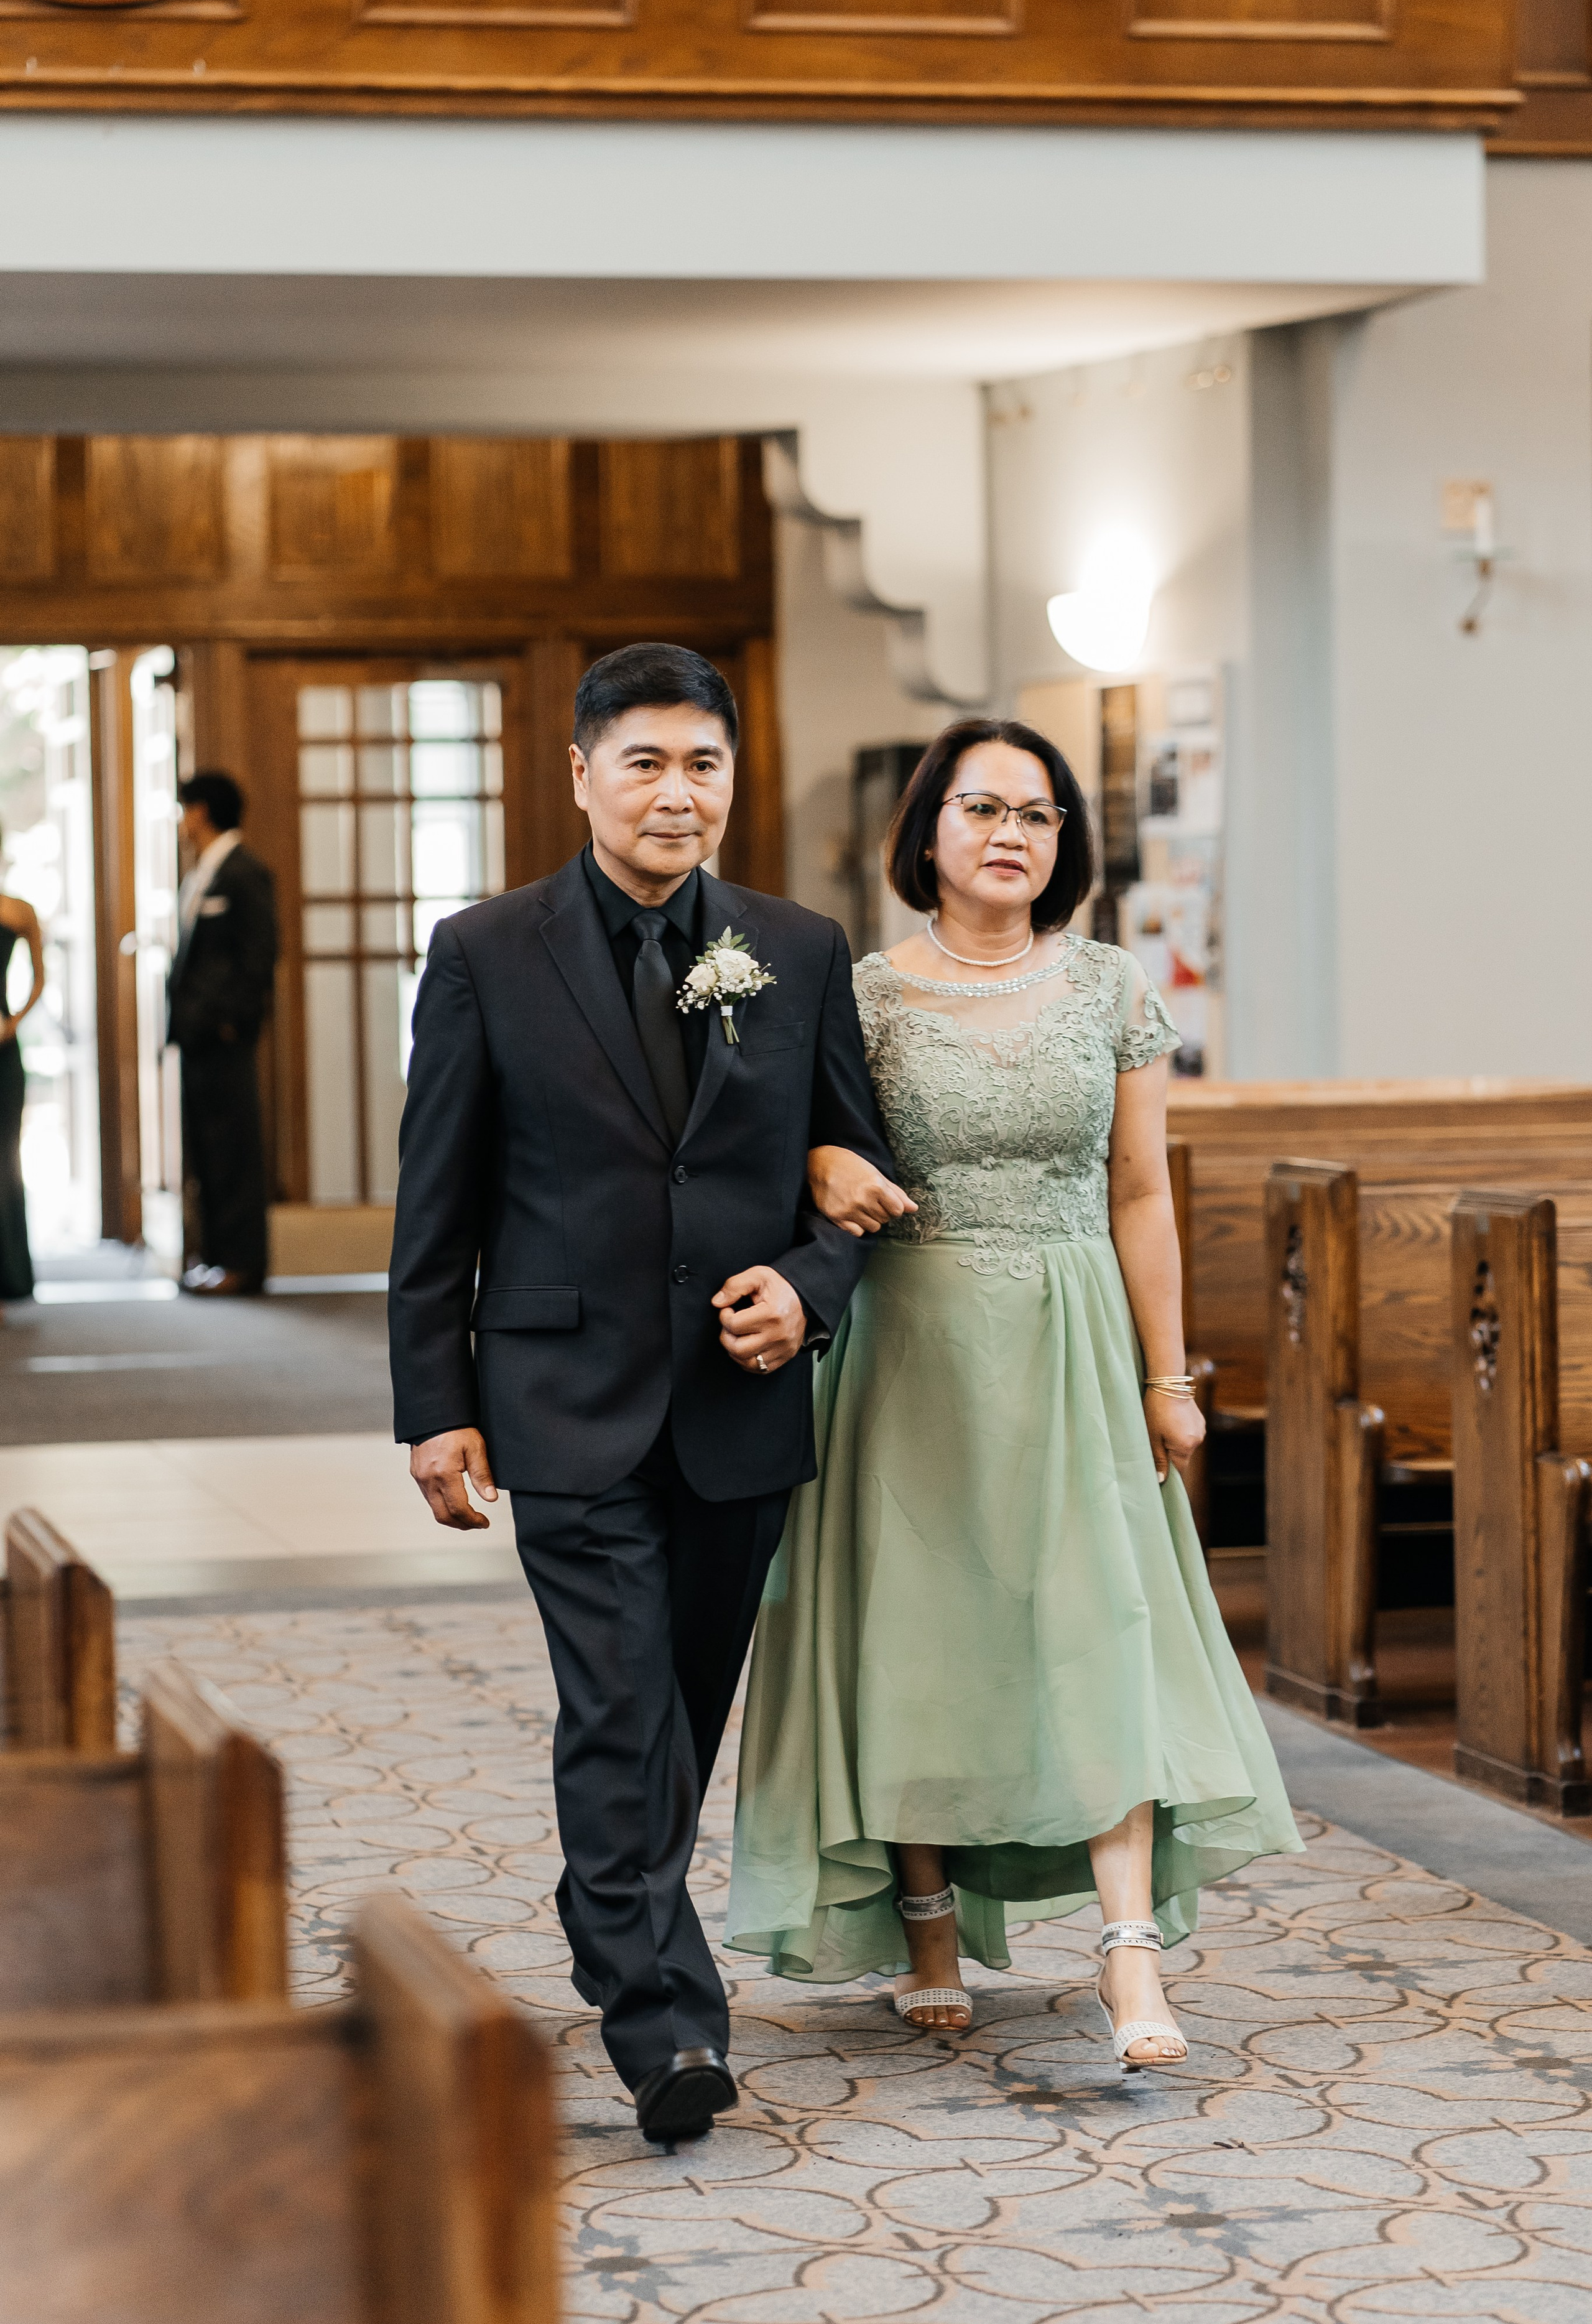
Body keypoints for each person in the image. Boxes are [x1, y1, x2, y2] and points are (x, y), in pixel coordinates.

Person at [726, 717, 1300, 2068]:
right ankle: (926, 1921)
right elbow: (793, 1156)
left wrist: (1169, 1376)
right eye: (979, 808)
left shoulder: (1109, 987)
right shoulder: (857, 995)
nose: (1008, 834)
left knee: (1100, 1629)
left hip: (1070, 1334)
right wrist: (818, 1169)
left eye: (1035, 815)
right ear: (923, 832)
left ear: (1064, 842)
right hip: (907, 1343)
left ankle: (1127, 1955)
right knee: (921, 1633)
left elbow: (1141, 1192)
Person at [389, 641, 895, 2147]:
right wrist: (433, 1399)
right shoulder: (486, 950)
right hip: (562, 1391)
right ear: (581, 775)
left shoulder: (798, 952)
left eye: (703, 766)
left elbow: (853, 1184)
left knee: (675, 1709)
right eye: (645, 763)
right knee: (618, 1708)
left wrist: (806, 1288)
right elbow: (436, 1202)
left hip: (737, 1403)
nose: (677, 795)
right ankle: (665, 2018)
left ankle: (608, 1898)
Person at [169, 772, 279, 1298]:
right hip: (195, 1036)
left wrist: (235, 1022)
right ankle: (213, 1257)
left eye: (185, 809)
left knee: (234, 1148)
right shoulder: (201, 874)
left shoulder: (243, 872)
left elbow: (259, 955)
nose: (181, 822)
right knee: (207, 1148)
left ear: (203, 811)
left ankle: (243, 1261)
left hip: (225, 1036)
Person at [0, 835, 45, 1308]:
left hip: (3, 1048)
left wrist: (12, 1024)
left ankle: (11, 1272)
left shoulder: (19, 911)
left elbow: (39, 977)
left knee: (5, 1159)